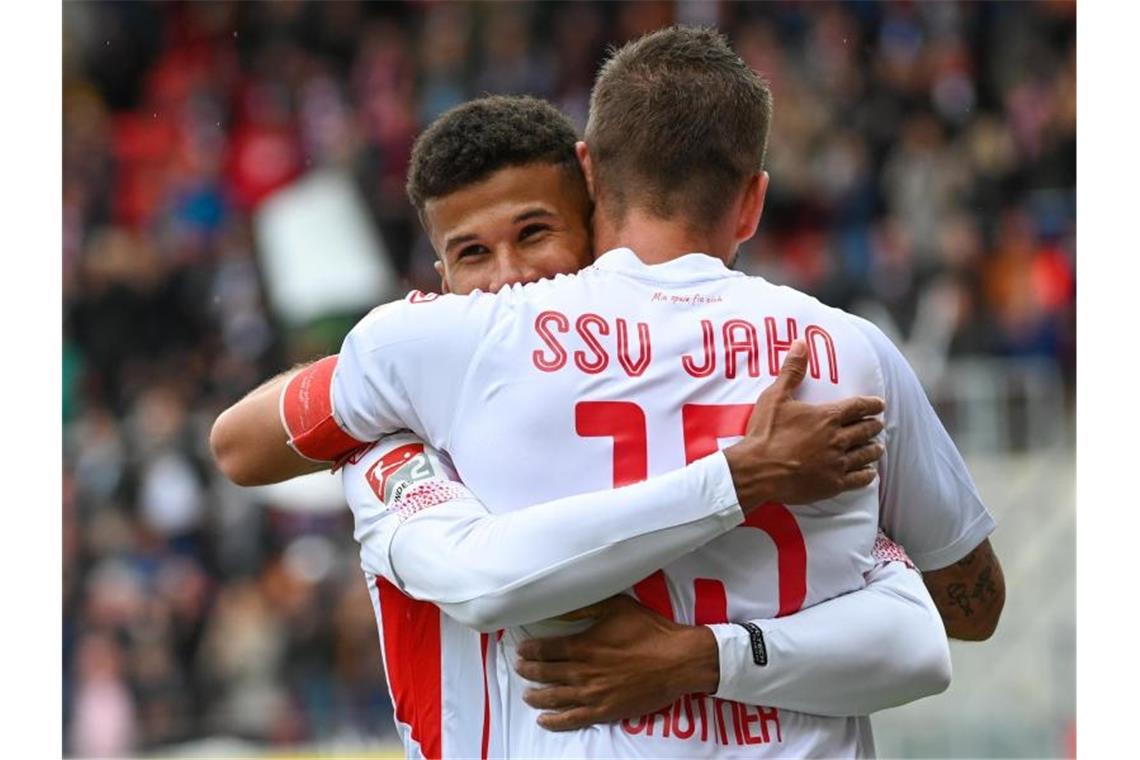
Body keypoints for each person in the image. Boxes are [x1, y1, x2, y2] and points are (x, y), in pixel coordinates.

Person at [212, 26, 1001, 755]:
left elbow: (243, 447)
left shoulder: (441, 350)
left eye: (532, 234)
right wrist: (780, 516)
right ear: (755, 199)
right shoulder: (848, 350)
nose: (509, 277)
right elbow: (969, 607)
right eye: (473, 254)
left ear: (590, 177)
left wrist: (698, 657)